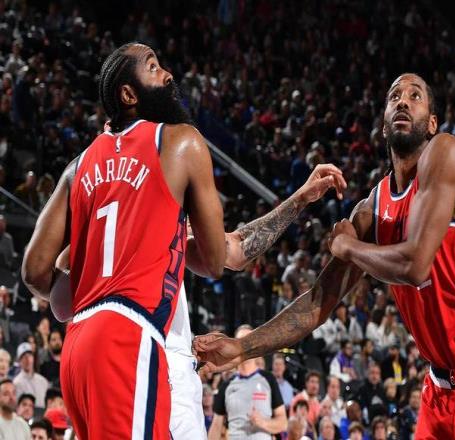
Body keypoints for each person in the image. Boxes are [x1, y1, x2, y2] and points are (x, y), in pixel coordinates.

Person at [194, 73, 455, 438]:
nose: (403, 101)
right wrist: (243, 348)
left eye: (415, 96)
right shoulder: (371, 209)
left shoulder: (446, 151)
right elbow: (317, 303)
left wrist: (348, 247)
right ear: (383, 126)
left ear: (432, 124)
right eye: (394, 97)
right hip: (439, 390)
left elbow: (415, 265)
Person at [52, 160, 345, 440]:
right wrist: (300, 198)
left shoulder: (96, 228)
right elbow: (238, 251)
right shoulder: (159, 217)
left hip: (102, 362)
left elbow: (57, 301)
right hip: (158, 366)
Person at [22, 42, 228, 439]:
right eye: (153, 67)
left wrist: (89, 289)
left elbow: (34, 271)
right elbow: (216, 261)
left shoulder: (78, 166)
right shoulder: (182, 141)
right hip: (128, 335)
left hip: (78, 346)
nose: (167, 75)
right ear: (129, 94)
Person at [208, 325, 287, 440]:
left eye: (249, 339)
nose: (245, 345)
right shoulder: (226, 385)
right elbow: (216, 426)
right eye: (241, 340)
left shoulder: (268, 379)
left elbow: (283, 423)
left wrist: (263, 423)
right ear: (234, 346)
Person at [12, 343, 48, 410]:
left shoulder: (43, 381)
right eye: (23, 357)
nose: (27, 359)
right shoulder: (16, 383)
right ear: (19, 361)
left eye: (29, 356)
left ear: (33, 358)